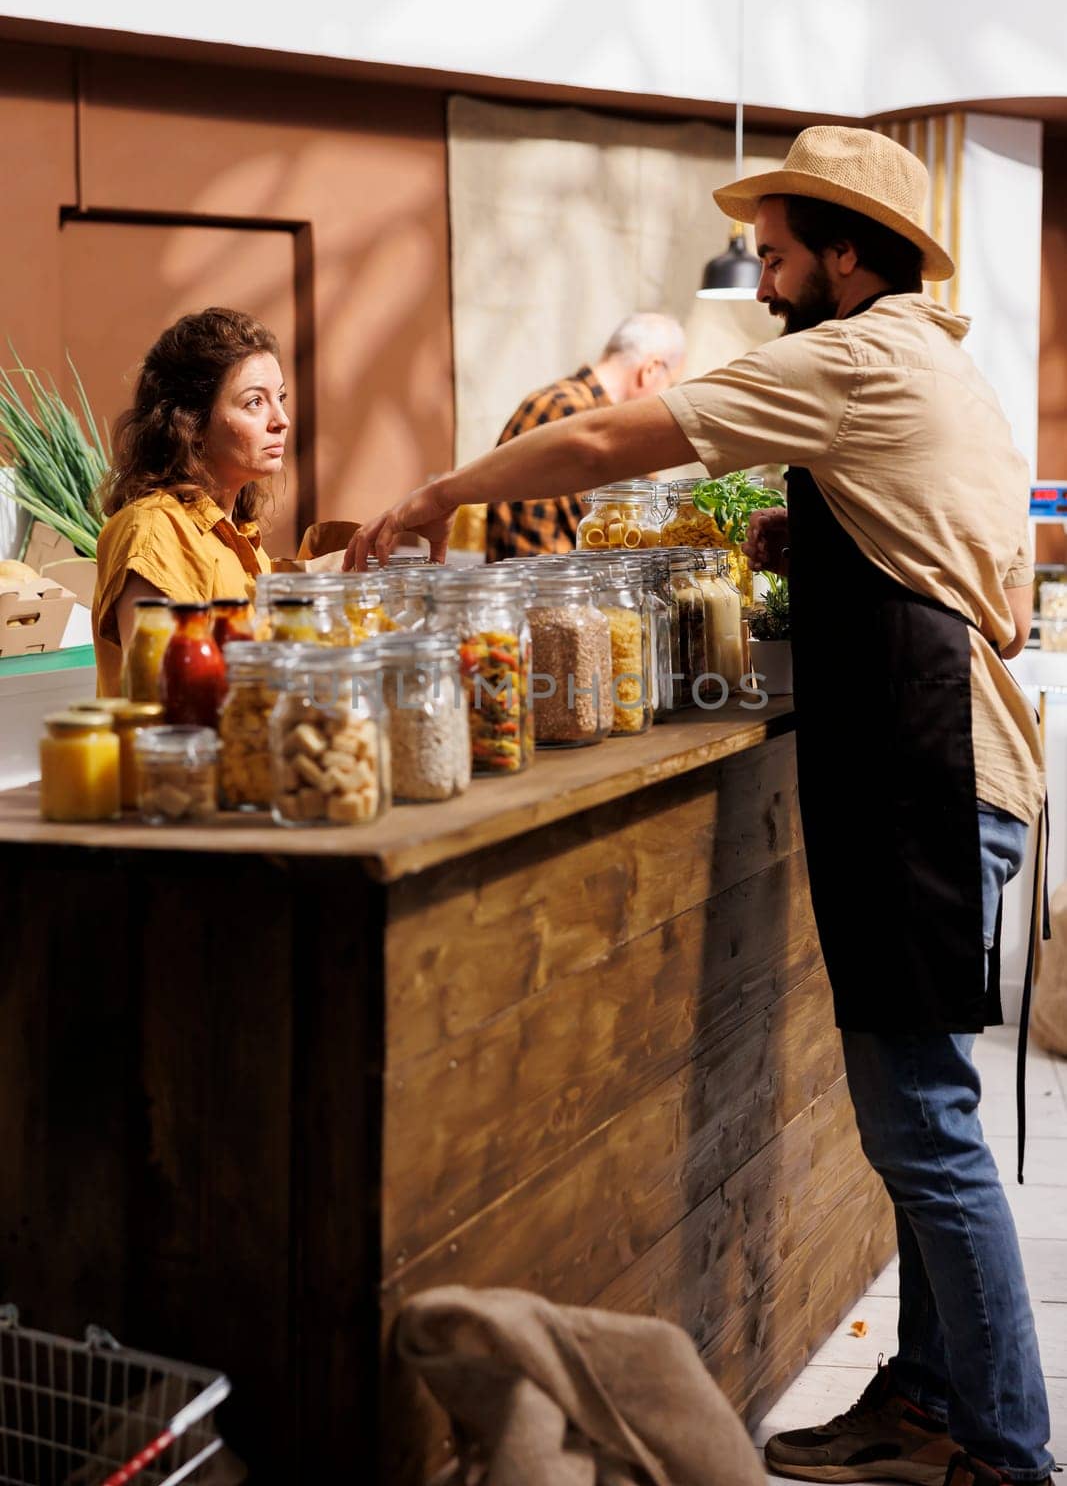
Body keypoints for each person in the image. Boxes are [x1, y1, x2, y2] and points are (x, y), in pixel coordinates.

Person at [346, 126, 1052, 1486]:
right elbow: (974, 575)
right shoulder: (924, 359)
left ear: (847, 253)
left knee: (922, 1128)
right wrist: (819, 535)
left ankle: (1007, 1453)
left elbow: (617, 435)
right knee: (920, 1125)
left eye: (780, 253)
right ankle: (921, 1403)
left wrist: (443, 489)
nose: (767, 277)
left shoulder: (856, 352)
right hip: (942, 767)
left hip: (928, 771)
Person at [92, 307, 289, 694]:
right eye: (254, 402)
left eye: (280, 398)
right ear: (192, 423)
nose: (280, 419)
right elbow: (164, 697)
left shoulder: (236, 534)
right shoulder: (152, 531)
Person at [484, 312, 686, 560]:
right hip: (551, 587)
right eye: (671, 383)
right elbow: (612, 538)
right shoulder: (577, 415)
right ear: (650, 370)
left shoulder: (564, 401)